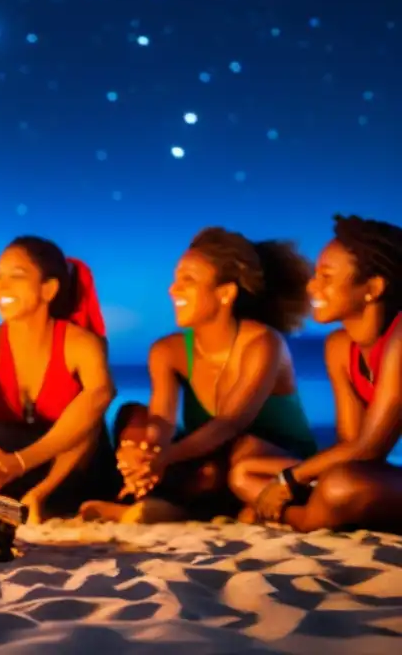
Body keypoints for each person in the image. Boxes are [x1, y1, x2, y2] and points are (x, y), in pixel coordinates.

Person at [81, 227, 318, 523]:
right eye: (175, 279)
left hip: (265, 462)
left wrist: (163, 458)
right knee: (133, 416)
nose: (172, 289)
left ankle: (186, 507)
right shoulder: (168, 351)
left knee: (239, 453)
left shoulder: (263, 344)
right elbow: (162, 420)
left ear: (225, 293)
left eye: (187, 281)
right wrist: (144, 454)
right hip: (213, 458)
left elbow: (230, 423)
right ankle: (156, 501)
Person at [0, 236, 121, 524]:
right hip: (6, 473)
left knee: (89, 419)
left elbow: (101, 395)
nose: (1, 287)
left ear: (48, 289)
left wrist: (22, 467)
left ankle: (40, 500)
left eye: (16, 276)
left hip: (70, 476)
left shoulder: (82, 344)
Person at [229, 215, 402, 533]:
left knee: (340, 484)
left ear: (373, 288)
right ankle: (316, 509)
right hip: (368, 472)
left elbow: (371, 447)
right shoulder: (339, 347)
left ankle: (294, 517)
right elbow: (351, 443)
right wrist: (297, 478)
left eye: (326, 276)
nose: (312, 286)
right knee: (245, 471)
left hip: (361, 477)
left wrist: (292, 479)